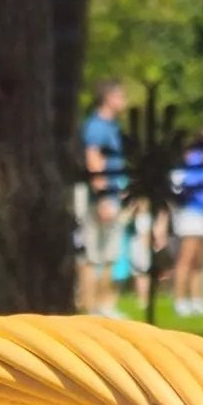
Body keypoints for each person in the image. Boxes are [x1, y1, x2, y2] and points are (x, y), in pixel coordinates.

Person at [77, 78, 128, 312]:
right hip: (101, 198)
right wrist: (103, 196)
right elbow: (94, 160)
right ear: (108, 98)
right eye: (120, 96)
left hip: (114, 194)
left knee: (109, 254)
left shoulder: (113, 127)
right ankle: (92, 305)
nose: (124, 101)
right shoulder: (97, 126)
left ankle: (105, 304)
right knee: (93, 255)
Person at [169, 129, 203, 311]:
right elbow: (186, 184)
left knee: (198, 259)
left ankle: (196, 299)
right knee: (186, 258)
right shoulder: (193, 160)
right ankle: (180, 300)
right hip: (191, 212)